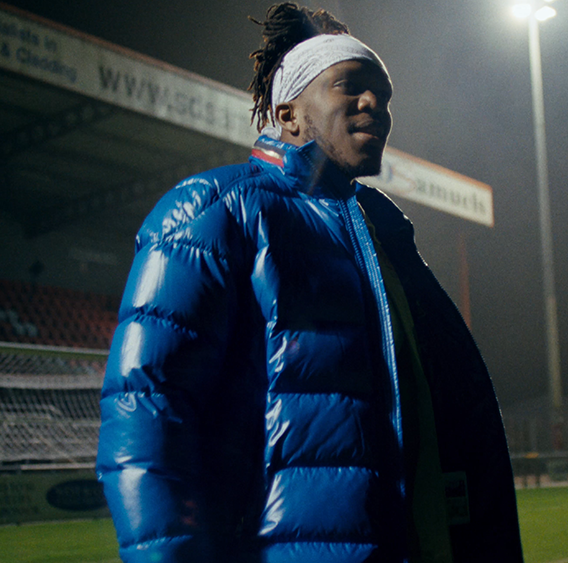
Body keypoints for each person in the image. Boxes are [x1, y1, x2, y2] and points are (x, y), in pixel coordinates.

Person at [96, 3, 523, 562]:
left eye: (384, 96)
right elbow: (146, 414)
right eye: (350, 86)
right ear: (288, 114)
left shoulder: (387, 234)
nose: (374, 104)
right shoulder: (215, 210)